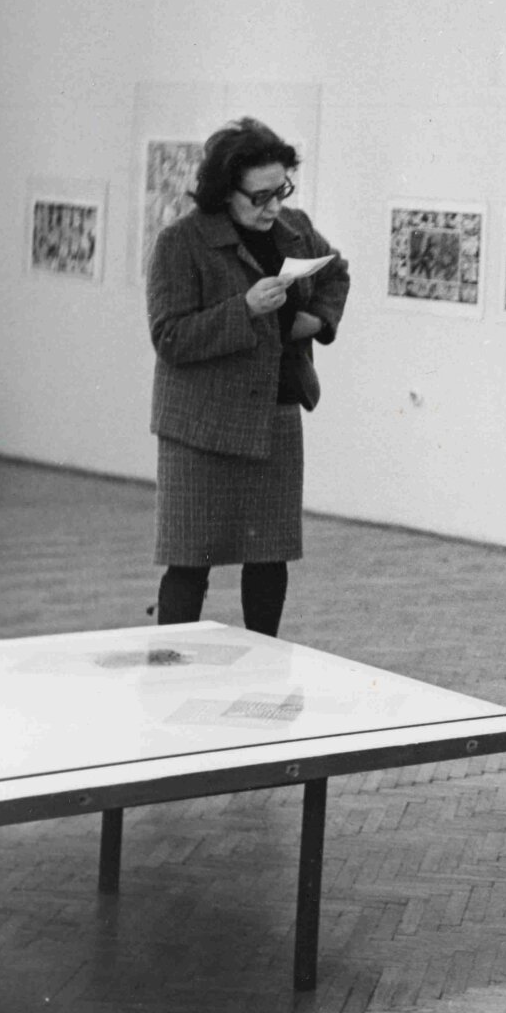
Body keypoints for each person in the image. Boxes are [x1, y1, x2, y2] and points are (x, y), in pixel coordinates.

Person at [146, 117, 350, 638]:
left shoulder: (294, 228)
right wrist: (245, 309)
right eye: (259, 197)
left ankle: (265, 662)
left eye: (281, 190)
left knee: (269, 558)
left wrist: (316, 321)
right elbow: (169, 337)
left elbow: (336, 272)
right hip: (200, 431)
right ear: (224, 192)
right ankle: (170, 665)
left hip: (273, 419)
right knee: (189, 564)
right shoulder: (180, 243)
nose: (273, 206)